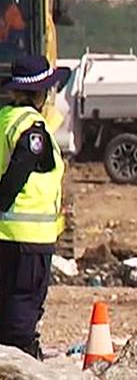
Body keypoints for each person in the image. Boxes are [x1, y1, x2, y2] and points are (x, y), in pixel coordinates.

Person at [0, 56, 71, 359]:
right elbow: (16, 177)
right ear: (40, 94)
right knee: (21, 315)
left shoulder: (5, 120)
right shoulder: (32, 129)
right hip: (27, 240)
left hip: (6, 236)